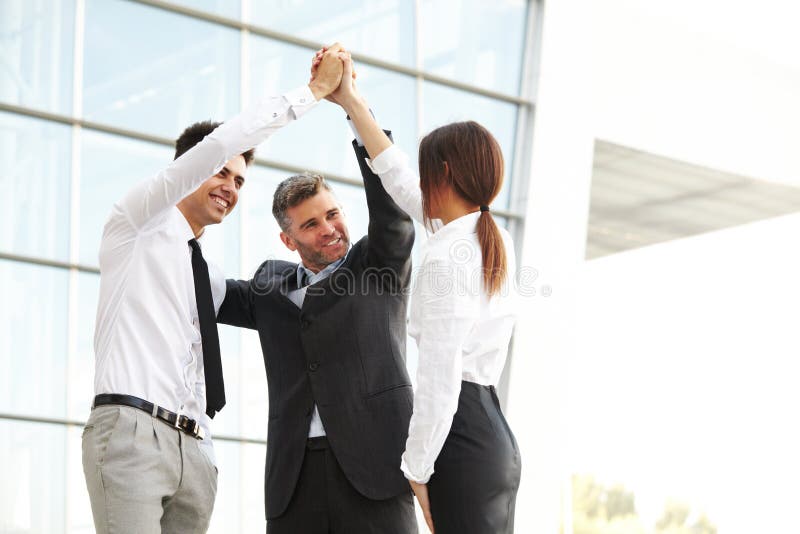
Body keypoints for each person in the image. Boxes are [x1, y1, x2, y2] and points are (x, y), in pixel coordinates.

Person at [81, 46, 345, 533]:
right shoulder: (137, 222)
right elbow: (230, 137)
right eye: (221, 171)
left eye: (240, 180)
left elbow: (272, 301)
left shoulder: (208, 273)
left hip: (194, 447)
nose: (231, 186)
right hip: (132, 432)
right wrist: (313, 93)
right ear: (190, 167)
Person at [216, 51, 418, 534]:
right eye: (311, 224)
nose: (329, 229)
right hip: (295, 483)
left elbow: (392, 205)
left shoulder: (378, 265)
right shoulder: (270, 284)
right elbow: (201, 288)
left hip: (376, 475)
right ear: (288, 240)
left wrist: (350, 103)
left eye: (332, 214)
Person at [330, 52, 521, 534]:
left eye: (426, 171)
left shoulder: (446, 257)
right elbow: (395, 179)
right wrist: (351, 102)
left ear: (445, 172)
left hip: (459, 437)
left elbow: (440, 375)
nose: (420, 181)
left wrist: (415, 470)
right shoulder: (479, 236)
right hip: (491, 437)